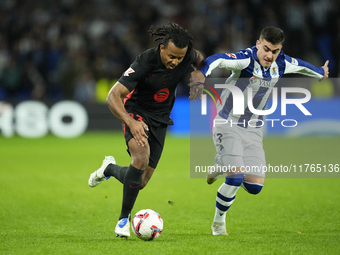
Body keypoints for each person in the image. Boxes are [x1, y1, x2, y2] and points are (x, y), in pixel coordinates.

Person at [189, 26, 329, 236]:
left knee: (255, 187)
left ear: (280, 50)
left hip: (254, 129)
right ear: (258, 44)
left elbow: (302, 66)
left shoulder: (281, 63)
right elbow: (218, 59)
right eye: (266, 49)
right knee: (235, 178)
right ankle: (218, 224)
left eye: (275, 51)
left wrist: (321, 72)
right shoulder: (245, 60)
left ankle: (221, 163)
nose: (269, 55)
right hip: (228, 123)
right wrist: (202, 72)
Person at [88, 22, 204, 238]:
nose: (175, 61)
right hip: (136, 112)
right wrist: (131, 122)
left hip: (161, 120)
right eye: (171, 56)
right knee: (140, 158)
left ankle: (109, 169)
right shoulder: (144, 62)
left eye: (180, 58)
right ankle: (123, 220)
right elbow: (112, 96)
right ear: (162, 48)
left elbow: (202, 60)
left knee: (139, 181)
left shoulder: (186, 55)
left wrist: (200, 74)